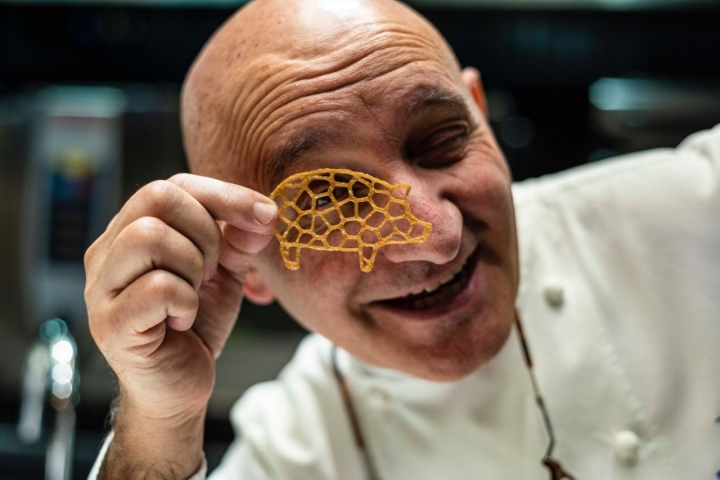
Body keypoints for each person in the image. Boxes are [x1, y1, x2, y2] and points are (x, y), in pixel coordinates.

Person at [83, 0, 720, 478]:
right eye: (330, 201)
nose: (437, 239)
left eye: (441, 140)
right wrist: (160, 423)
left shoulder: (698, 211)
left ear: (481, 115)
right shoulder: (310, 439)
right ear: (243, 262)